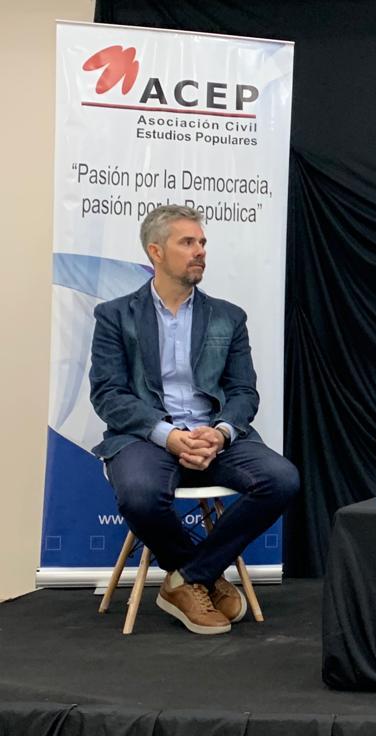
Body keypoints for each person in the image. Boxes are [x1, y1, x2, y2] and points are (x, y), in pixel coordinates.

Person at [90, 204, 299, 635]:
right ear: (156, 251)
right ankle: (199, 576)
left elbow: (243, 392)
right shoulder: (115, 316)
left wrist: (220, 433)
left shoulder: (228, 316)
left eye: (202, 242)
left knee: (281, 479)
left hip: (213, 435)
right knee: (140, 496)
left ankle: (188, 579)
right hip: (146, 438)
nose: (200, 250)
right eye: (187, 242)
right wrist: (167, 435)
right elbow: (108, 395)